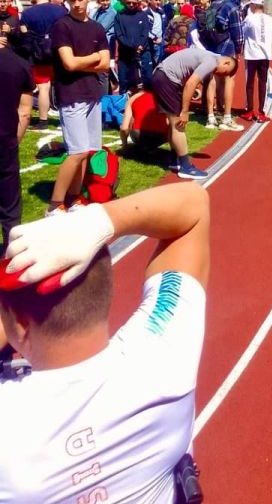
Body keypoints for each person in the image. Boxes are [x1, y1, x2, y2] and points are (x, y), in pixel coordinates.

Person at [0, 181, 210, 504]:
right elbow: (194, 206)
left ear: (19, 324)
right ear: (105, 292)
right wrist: (99, 221)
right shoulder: (163, 358)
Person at [48, 0, 110, 213]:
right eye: (72, 0)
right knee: (76, 152)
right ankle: (55, 204)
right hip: (71, 95)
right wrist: (93, 58)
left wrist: (88, 61)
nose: (76, 4)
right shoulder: (62, 26)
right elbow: (69, 63)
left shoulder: (96, 27)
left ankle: (74, 198)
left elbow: (105, 64)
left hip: (92, 93)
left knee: (87, 151)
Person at [152, 45, 240, 178]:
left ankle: (174, 159)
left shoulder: (209, 55)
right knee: (178, 124)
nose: (221, 75)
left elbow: (189, 76)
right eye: (225, 72)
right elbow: (191, 83)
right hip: (166, 79)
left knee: (172, 122)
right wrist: (185, 111)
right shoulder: (212, 61)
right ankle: (186, 167)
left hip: (164, 76)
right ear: (226, 62)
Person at [20, 0, 67, 130]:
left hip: (38, 53)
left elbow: (23, 33)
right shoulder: (61, 11)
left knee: (43, 88)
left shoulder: (28, 13)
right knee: (63, 84)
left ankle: (43, 120)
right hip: (59, 50)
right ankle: (67, 117)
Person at [0, 43, 33, 255]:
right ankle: (11, 252)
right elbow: (25, 111)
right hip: (5, 140)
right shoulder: (19, 64)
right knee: (10, 201)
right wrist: (15, 138)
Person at [200, 0, 244, 131]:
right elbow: (237, 29)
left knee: (213, 78)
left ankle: (211, 117)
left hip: (212, 43)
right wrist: (239, 49)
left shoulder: (214, 3)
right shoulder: (232, 6)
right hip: (226, 44)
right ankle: (226, 117)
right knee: (228, 79)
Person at [241, 0, 272, 122]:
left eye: (251, 5)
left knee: (250, 83)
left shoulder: (249, 18)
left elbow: (242, 34)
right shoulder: (270, 19)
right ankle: (261, 112)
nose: (249, 7)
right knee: (263, 83)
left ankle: (250, 110)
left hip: (251, 55)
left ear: (254, 6)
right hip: (265, 55)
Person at [114, 0, 152, 93]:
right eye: (129, 2)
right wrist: (133, 47)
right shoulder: (119, 16)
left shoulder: (143, 15)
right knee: (124, 81)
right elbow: (119, 34)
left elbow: (145, 32)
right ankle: (122, 105)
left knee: (147, 78)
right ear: (125, 1)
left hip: (143, 51)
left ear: (138, 3)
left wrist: (140, 46)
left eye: (134, 3)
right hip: (126, 53)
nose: (131, 5)